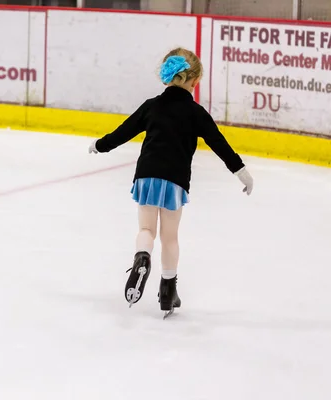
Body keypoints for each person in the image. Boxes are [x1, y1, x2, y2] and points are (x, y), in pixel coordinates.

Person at [88, 47, 253, 317]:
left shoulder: (151, 106)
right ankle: (167, 293)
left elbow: (123, 132)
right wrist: (241, 171)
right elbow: (219, 144)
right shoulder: (197, 113)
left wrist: (99, 145)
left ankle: (142, 257)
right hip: (175, 180)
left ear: (167, 76)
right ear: (194, 81)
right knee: (169, 237)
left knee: (146, 229)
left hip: (147, 176)